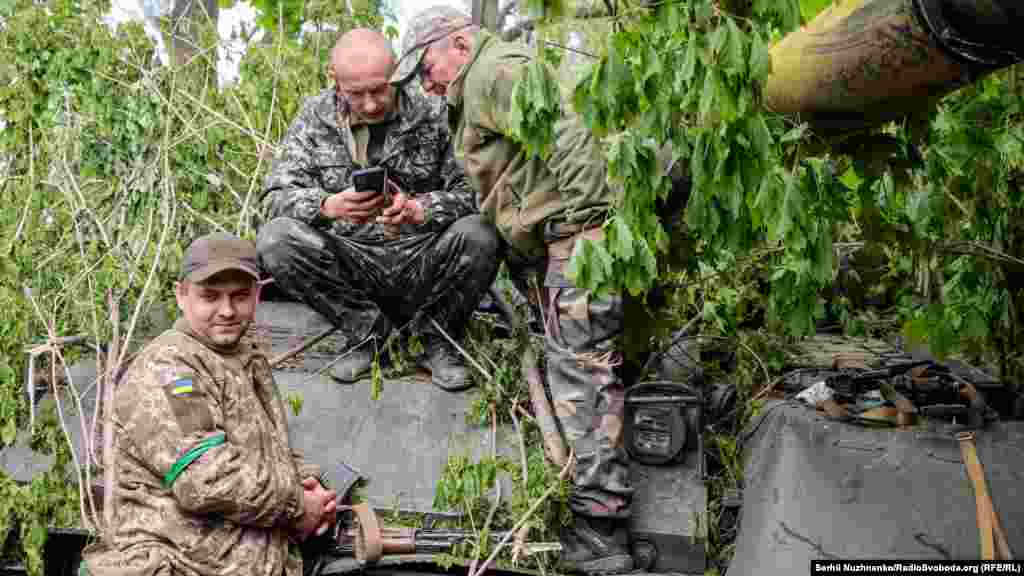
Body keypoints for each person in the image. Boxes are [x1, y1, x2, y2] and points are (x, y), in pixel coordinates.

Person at [391, 7, 637, 574]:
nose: (426, 82)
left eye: (426, 66)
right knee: (580, 366)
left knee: (581, 372)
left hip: (576, 237)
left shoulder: (495, 71)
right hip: (557, 239)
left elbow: (568, 139)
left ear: (458, 43)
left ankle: (602, 530)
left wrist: (588, 232)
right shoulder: (477, 84)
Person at [80, 233, 338, 576]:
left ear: (258, 295)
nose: (227, 310)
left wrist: (312, 487)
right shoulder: (172, 371)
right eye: (210, 297)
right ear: (181, 295)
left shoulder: (239, 355)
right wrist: (296, 504)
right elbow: (206, 481)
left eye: (240, 296)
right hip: (177, 565)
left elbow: (262, 448)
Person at [257, 28, 500, 391]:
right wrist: (327, 206)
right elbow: (273, 197)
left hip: (422, 258)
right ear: (334, 79)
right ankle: (369, 335)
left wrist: (423, 209)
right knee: (275, 240)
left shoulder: (434, 111)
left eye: (380, 89)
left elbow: (479, 193)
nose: (370, 104)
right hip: (351, 261)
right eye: (356, 94)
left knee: (481, 234)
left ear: (397, 73)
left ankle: (433, 340)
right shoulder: (314, 116)